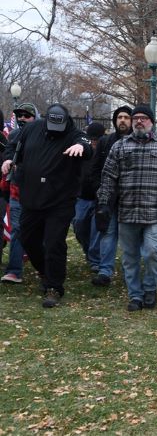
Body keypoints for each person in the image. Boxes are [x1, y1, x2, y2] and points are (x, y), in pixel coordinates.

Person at [96, 104, 157, 311]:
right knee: (130, 258)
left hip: (155, 212)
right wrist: (103, 203)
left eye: (143, 118)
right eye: (135, 117)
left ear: (152, 122)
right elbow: (108, 177)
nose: (138, 121)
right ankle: (135, 295)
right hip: (126, 212)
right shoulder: (119, 146)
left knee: (153, 252)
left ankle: (150, 289)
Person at [2, 103, 93, 307]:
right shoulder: (32, 129)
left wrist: (81, 146)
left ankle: (54, 286)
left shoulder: (73, 133)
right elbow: (13, 147)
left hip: (60, 200)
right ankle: (45, 271)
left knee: (54, 242)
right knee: (27, 238)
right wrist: (8, 160)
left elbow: (86, 145)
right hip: (32, 197)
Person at [89, 105, 132, 287]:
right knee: (108, 233)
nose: (122, 120)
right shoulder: (106, 142)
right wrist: (101, 190)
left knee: (130, 236)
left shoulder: (138, 142)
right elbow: (95, 168)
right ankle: (105, 270)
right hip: (108, 197)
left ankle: (130, 268)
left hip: (131, 197)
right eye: (119, 117)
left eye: (126, 117)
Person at [1, 102, 40, 284]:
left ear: (35, 117)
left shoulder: (46, 136)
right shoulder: (14, 135)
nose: (22, 119)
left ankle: (45, 267)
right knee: (17, 229)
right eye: (20, 116)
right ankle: (14, 271)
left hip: (42, 193)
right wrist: (8, 160)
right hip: (18, 191)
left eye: (27, 115)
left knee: (42, 231)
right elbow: (8, 152)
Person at [73, 122, 105, 272]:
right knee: (79, 225)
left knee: (96, 230)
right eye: (92, 140)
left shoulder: (106, 151)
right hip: (82, 196)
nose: (94, 143)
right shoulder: (82, 151)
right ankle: (88, 250)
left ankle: (95, 259)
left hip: (99, 197)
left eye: (97, 140)